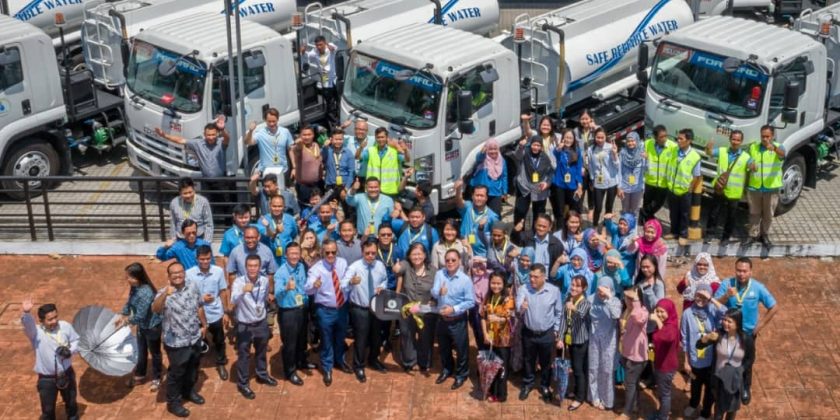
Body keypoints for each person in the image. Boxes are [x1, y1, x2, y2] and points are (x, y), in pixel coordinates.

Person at [713, 257, 778, 404]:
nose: (741, 274)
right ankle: (722, 383)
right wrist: (726, 295)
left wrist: (759, 326)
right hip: (728, 331)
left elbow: (774, 307)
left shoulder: (758, 287)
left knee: (747, 360)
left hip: (747, 333)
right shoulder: (727, 284)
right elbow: (715, 304)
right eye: (738, 270)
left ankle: (745, 386)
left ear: (750, 272)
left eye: (744, 271)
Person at [152, 262, 208, 418]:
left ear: (184, 273)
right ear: (169, 276)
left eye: (180, 272)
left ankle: (188, 392)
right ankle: (173, 403)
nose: (177, 275)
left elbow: (199, 306)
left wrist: (204, 324)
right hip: (176, 343)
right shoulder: (164, 292)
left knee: (192, 369)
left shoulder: (192, 286)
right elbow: (155, 309)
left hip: (194, 337)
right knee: (176, 374)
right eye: (174, 273)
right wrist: (165, 294)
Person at [21, 298, 80, 420]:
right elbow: (28, 325)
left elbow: (76, 340)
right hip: (47, 379)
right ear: (42, 321)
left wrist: (70, 350)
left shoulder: (65, 326)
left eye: (55, 317)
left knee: (71, 404)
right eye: (50, 319)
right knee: (48, 411)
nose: (54, 321)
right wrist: (26, 313)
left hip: (67, 374)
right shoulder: (36, 333)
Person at [305, 239, 352, 386]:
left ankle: (339, 360)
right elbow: (307, 289)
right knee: (326, 340)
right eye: (327, 252)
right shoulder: (316, 269)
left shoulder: (343, 263)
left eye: (333, 252)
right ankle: (327, 368)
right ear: (322, 252)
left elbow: (347, 281)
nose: (331, 255)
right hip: (325, 310)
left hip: (342, 308)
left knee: (340, 337)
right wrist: (314, 285)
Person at [230, 255, 276, 399]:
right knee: (244, 354)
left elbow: (264, 297)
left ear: (259, 267)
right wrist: (243, 291)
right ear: (245, 267)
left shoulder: (264, 281)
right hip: (244, 325)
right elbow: (233, 300)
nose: (252, 269)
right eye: (250, 266)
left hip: (261, 322)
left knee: (261, 351)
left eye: (255, 266)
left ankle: (262, 374)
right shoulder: (238, 282)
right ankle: (243, 383)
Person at [696, 309, 755, 420]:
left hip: (735, 379)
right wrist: (706, 338)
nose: (725, 323)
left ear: (737, 323)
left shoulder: (746, 340)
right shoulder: (718, 335)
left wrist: (741, 370)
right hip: (718, 379)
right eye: (724, 320)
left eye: (729, 321)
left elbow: (750, 359)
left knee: (732, 410)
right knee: (718, 410)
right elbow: (699, 346)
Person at [344, 240, 389, 382]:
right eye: (367, 253)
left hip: (376, 307)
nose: (370, 256)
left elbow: (385, 280)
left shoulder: (380, 265)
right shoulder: (354, 267)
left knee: (376, 336)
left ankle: (373, 359)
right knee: (361, 338)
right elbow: (342, 285)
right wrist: (351, 282)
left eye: (373, 253)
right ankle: (358, 365)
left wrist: (382, 286)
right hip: (360, 309)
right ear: (362, 252)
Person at [516, 264, 562, 401]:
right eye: (530, 276)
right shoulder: (524, 289)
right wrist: (522, 307)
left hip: (546, 334)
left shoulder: (554, 291)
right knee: (528, 360)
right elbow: (518, 308)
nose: (532, 279)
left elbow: (559, 312)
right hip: (529, 333)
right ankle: (527, 384)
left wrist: (556, 330)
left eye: (536, 277)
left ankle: (545, 385)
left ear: (544, 277)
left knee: (546, 362)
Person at [431, 249, 475, 390]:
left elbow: (470, 301)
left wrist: (454, 309)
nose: (450, 262)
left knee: (461, 349)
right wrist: (439, 292)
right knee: (444, 347)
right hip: (442, 319)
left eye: (453, 260)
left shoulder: (465, 280)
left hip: (457, 320)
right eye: (447, 260)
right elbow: (433, 292)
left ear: (459, 261)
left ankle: (461, 374)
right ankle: (447, 369)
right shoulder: (440, 274)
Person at [681, 284, 724, 420]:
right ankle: (693, 404)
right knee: (695, 384)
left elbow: (726, 313)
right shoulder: (687, 313)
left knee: (710, 389)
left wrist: (711, 299)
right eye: (698, 295)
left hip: (712, 360)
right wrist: (686, 361)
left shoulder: (713, 310)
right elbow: (685, 339)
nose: (701, 299)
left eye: (704, 297)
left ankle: (705, 412)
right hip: (695, 359)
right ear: (694, 295)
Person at [185, 245, 229, 380]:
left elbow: (222, 291)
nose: (205, 262)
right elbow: (186, 295)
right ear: (196, 258)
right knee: (197, 341)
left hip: (215, 312)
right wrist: (201, 298)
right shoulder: (189, 274)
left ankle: (221, 363)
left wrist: (226, 312)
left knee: (219, 340)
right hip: (197, 315)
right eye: (202, 259)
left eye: (208, 259)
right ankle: (196, 366)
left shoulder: (218, 271)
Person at [118, 263, 163, 390]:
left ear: (137, 277)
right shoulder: (135, 287)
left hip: (152, 327)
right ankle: (140, 374)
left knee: (155, 353)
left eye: (129, 277)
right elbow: (130, 301)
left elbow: (141, 315)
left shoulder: (146, 293)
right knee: (141, 351)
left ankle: (157, 378)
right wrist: (123, 313)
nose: (127, 279)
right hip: (142, 327)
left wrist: (127, 322)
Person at [395, 243, 438, 374]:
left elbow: (437, 289)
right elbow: (397, 269)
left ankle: (425, 361)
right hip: (407, 309)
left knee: (426, 336)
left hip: (426, 310)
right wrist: (396, 267)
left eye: (419, 254)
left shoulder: (433, 271)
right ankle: (410, 361)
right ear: (409, 256)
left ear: (425, 255)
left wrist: (433, 300)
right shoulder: (406, 266)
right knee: (407, 335)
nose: (417, 257)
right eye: (413, 254)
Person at [274, 242, 311, 386]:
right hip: (288, 312)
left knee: (302, 339)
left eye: (297, 253)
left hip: (302, 308)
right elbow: (277, 294)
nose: (294, 256)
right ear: (286, 255)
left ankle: (301, 362)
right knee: (290, 344)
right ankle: (290, 371)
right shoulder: (281, 272)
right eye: (291, 254)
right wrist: (286, 287)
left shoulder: (301, 267)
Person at [706, 130, 750, 244]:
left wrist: (753, 166)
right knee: (714, 212)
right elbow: (709, 153)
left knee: (731, 216)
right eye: (733, 139)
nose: (735, 142)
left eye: (738, 140)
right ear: (730, 140)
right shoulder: (722, 151)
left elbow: (753, 165)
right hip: (720, 188)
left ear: (741, 141)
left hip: (734, 191)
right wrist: (708, 148)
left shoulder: (745, 157)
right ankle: (709, 234)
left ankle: (726, 237)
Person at [746, 125, 786, 248]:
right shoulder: (753, 147)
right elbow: (747, 159)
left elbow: (782, 155)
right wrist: (750, 165)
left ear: (772, 136)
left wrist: (774, 148)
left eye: (767, 136)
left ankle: (765, 235)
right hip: (755, 187)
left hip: (771, 188)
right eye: (763, 136)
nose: (765, 139)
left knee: (768, 214)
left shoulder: (779, 147)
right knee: (754, 213)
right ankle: (753, 235)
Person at [557, 275, 592, 411]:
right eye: (572, 285)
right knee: (575, 367)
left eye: (577, 286)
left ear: (584, 288)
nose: (574, 288)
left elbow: (581, 315)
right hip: (570, 339)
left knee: (578, 369)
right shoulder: (568, 299)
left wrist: (573, 308)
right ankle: (577, 391)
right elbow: (563, 320)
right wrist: (560, 337)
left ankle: (579, 398)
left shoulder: (585, 302)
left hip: (580, 341)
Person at [587, 276, 621, 411]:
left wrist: (609, 298)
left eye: (606, 288)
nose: (601, 292)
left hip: (609, 339)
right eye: (600, 289)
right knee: (593, 368)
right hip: (594, 338)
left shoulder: (615, 301)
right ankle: (594, 396)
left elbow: (616, 314)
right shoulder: (591, 299)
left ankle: (607, 400)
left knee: (607, 370)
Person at [481, 271, 515, 402]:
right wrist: (485, 334)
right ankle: (491, 390)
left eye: (499, 283)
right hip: (490, 339)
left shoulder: (508, 299)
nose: (495, 286)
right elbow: (483, 317)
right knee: (491, 366)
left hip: (503, 340)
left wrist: (497, 319)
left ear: (504, 284)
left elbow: (508, 318)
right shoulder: (488, 297)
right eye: (493, 283)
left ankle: (501, 395)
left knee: (501, 368)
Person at [665, 128, 702, 241]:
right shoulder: (674, 150)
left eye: (681, 139)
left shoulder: (695, 156)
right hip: (672, 188)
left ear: (689, 141)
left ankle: (683, 235)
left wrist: (690, 188)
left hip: (684, 191)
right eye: (678, 138)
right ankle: (674, 232)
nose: (678, 141)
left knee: (684, 214)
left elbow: (696, 175)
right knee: (673, 213)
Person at [619, 287, 649, 419]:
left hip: (637, 356)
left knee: (630, 384)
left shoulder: (642, 312)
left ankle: (627, 412)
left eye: (632, 298)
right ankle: (635, 405)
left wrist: (636, 301)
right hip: (627, 352)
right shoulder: (627, 311)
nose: (629, 300)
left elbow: (638, 320)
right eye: (627, 297)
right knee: (633, 382)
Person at [513, 136, 554, 228]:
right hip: (524, 187)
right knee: (520, 211)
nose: (536, 147)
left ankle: (536, 233)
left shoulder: (545, 157)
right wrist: (520, 146)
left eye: (538, 145)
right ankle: (518, 233)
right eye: (534, 145)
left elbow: (551, 172)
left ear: (541, 147)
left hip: (539, 189)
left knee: (539, 213)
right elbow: (517, 155)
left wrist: (547, 183)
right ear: (530, 145)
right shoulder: (525, 153)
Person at [245, 108, 293, 186]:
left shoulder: (285, 132)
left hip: (283, 170)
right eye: (269, 121)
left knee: (282, 193)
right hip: (266, 171)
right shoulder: (260, 133)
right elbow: (247, 142)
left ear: (278, 119)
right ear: (265, 120)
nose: (271, 124)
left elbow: (290, 149)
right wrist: (250, 131)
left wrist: (294, 167)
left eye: (274, 121)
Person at [357, 127, 410, 197]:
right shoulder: (370, 151)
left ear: (387, 138)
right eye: (378, 137)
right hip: (373, 189)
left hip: (390, 190)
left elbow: (407, 160)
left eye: (382, 137)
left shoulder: (394, 151)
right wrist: (361, 147)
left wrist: (405, 150)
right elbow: (357, 157)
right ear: (375, 138)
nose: (380, 139)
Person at [640, 125, 678, 222]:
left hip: (663, 182)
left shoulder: (673, 146)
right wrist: (642, 155)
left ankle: (643, 213)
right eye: (661, 137)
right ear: (655, 137)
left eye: (666, 135)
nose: (664, 138)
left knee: (658, 204)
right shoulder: (648, 143)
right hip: (650, 180)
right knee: (647, 201)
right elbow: (639, 154)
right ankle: (646, 221)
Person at [650, 298, 679, 420]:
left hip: (666, 366)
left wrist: (657, 320)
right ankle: (661, 413)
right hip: (660, 363)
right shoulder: (666, 323)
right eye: (657, 311)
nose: (659, 314)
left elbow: (667, 338)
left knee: (665, 394)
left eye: (662, 312)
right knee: (662, 392)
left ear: (669, 312)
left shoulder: (671, 326)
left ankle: (663, 417)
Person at [455, 181, 499, 257]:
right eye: (477, 195)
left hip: (481, 254)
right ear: (472, 196)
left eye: (482, 196)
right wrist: (458, 189)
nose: (479, 198)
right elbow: (459, 201)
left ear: (486, 198)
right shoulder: (468, 207)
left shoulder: (492, 216)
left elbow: (497, 237)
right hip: (463, 249)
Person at [550, 128, 584, 224]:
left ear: (574, 139)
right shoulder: (559, 150)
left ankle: (572, 229)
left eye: (570, 138)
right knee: (560, 211)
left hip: (573, 185)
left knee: (573, 211)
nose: (568, 140)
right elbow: (555, 153)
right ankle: (560, 229)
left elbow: (578, 169)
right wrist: (559, 148)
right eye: (566, 137)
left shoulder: (577, 151)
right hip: (560, 185)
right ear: (563, 138)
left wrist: (579, 186)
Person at [586, 128, 620, 225]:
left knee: (609, 207)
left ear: (606, 137)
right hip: (598, 182)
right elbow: (590, 166)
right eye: (598, 137)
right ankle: (595, 226)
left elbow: (617, 165)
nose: (600, 140)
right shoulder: (591, 149)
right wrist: (592, 178)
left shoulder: (611, 147)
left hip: (612, 182)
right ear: (594, 137)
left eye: (602, 137)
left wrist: (615, 154)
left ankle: (605, 226)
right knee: (598, 207)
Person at [304, 36, 339, 125]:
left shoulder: (329, 47)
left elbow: (334, 48)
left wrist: (328, 46)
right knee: (329, 101)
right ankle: (334, 121)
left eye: (321, 45)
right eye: (317, 45)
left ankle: (338, 114)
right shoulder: (315, 52)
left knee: (338, 98)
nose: (319, 47)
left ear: (324, 43)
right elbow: (307, 56)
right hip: (325, 78)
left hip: (334, 78)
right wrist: (303, 51)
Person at [323, 128, 357, 219]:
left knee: (348, 211)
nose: (338, 141)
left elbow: (351, 172)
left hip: (344, 186)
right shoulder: (327, 151)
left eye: (340, 139)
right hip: (331, 186)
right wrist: (325, 147)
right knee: (331, 210)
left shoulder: (348, 153)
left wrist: (346, 189)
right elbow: (321, 158)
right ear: (331, 139)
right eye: (336, 139)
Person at [469, 138, 509, 216]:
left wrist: (504, 192)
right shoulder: (483, 159)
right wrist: (483, 151)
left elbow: (504, 177)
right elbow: (478, 158)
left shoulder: (502, 161)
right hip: (481, 193)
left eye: (495, 149)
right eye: (490, 149)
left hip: (495, 192)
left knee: (495, 215)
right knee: (479, 215)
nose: (493, 151)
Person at [169, 177, 213, 243]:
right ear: (180, 193)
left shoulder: (203, 202)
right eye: (185, 193)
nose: (188, 196)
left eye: (190, 192)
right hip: (181, 239)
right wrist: (173, 241)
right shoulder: (174, 203)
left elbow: (208, 224)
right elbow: (173, 224)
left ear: (194, 190)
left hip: (198, 239)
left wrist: (206, 243)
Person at [258, 194, 299, 265]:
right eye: (274, 206)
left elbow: (293, 235)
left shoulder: (290, 219)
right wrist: (274, 231)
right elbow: (266, 235)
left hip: (287, 259)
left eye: (280, 206)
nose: (277, 209)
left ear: (284, 206)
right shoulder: (263, 220)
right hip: (270, 258)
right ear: (270, 206)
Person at [289, 125, 324, 206]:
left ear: (313, 135)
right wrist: (298, 143)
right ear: (300, 136)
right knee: (305, 209)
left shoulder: (316, 145)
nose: (307, 137)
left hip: (318, 184)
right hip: (304, 186)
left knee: (320, 207)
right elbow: (298, 148)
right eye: (304, 135)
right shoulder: (299, 148)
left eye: (309, 134)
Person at [219, 203, 258, 272]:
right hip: (237, 269)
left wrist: (267, 226)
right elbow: (226, 256)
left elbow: (269, 234)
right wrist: (228, 273)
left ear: (250, 216)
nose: (243, 220)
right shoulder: (228, 234)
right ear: (234, 217)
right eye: (240, 218)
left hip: (254, 268)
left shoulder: (256, 229)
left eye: (246, 217)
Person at [618, 131, 647, 218]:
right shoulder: (623, 153)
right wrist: (619, 187)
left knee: (635, 211)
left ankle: (633, 226)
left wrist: (647, 159)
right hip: (625, 187)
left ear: (637, 141)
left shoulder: (642, 154)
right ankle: (624, 225)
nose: (630, 143)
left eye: (633, 141)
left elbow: (647, 170)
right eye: (628, 141)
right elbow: (619, 171)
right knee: (625, 210)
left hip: (637, 188)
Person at [603, 212, 639, 276]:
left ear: (631, 226)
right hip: (612, 262)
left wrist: (633, 244)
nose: (622, 226)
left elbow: (632, 253)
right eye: (620, 223)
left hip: (626, 266)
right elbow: (610, 226)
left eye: (625, 225)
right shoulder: (616, 231)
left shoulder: (633, 238)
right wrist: (608, 219)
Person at [467, 257, 490, 350]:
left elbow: (501, 269)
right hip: (474, 308)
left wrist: (485, 260)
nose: (478, 269)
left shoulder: (489, 275)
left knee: (487, 332)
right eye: (475, 266)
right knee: (477, 331)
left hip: (488, 307)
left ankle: (489, 353)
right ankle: (481, 351)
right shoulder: (469, 279)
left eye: (481, 266)